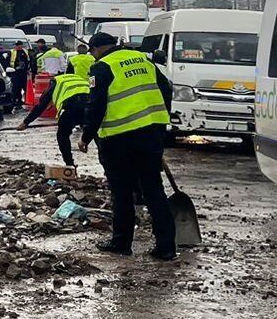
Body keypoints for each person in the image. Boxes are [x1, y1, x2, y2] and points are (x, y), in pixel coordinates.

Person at [79, 31, 176, 260]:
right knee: (153, 188)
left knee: (121, 191)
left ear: (97, 49)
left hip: (118, 138)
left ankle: (121, 242)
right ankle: (166, 247)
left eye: (92, 52)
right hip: (152, 132)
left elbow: (96, 105)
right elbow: (166, 89)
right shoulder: (143, 59)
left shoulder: (102, 67)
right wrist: (162, 120)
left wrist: (86, 136)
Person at [20, 65, 93, 168]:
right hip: (90, 105)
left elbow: (41, 106)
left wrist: (25, 122)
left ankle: (69, 164)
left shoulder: (55, 82)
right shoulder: (78, 79)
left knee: (62, 135)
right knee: (95, 131)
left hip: (72, 105)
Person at [6, 42, 30, 111]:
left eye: (18, 45)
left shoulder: (25, 52)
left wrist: (28, 69)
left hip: (23, 73)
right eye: (16, 46)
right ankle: (15, 101)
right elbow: (7, 62)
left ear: (21, 46)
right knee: (16, 88)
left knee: (25, 88)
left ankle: (24, 101)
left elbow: (29, 61)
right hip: (15, 73)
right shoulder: (11, 52)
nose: (17, 47)